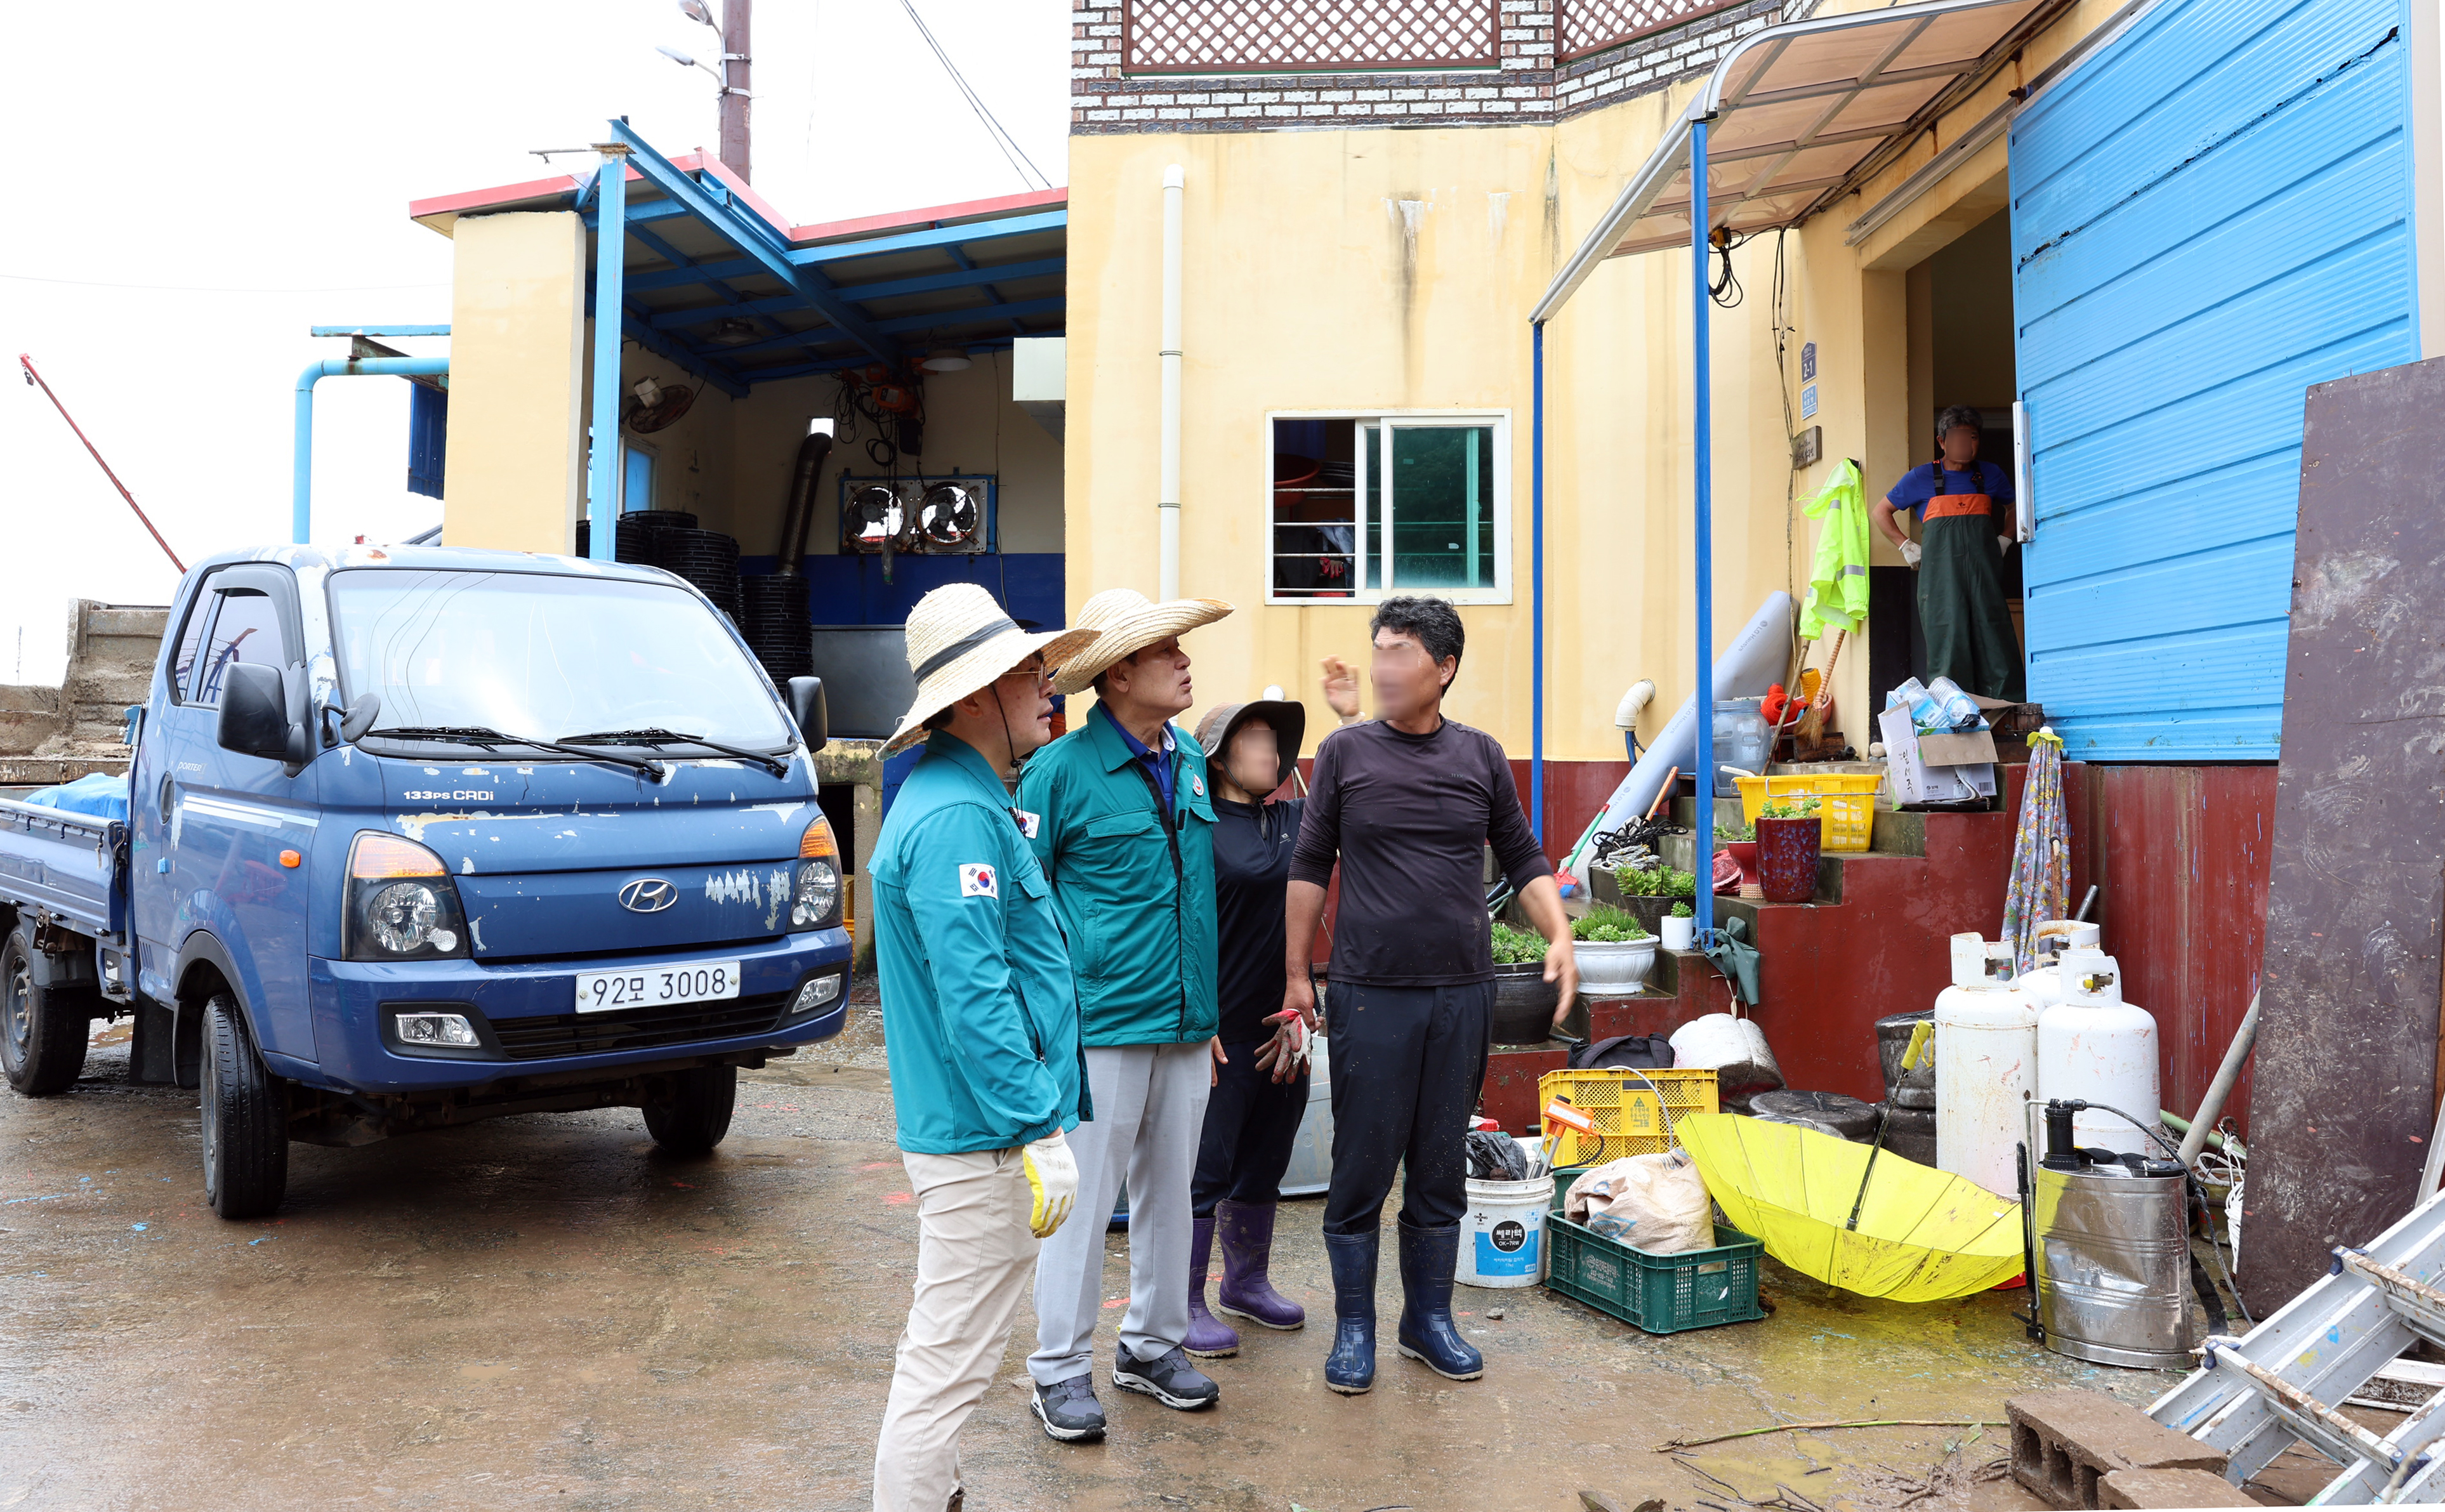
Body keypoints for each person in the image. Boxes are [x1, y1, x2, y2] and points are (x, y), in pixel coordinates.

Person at [1280, 595, 1578, 1396]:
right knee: (1362, 1162)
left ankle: (1427, 1320)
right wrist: (1297, 973)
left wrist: (1558, 933)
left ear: (1442, 669)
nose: (1381, 664)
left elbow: (1522, 856)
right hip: (1373, 991)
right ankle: (1354, 1328)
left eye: (1400, 650)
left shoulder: (1481, 755)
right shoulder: (1345, 753)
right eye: (1378, 648)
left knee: (1440, 1161)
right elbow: (1309, 866)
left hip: (1462, 994)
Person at [867, 583, 1099, 1512]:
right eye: (1026, 673)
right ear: (970, 698)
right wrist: (1036, 1124)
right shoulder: (956, 815)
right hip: (980, 1140)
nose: (1048, 687)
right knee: (946, 1366)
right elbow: (978, 997)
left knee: (949, 1351)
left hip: (978, 1132)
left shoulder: (968, 798)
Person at [1019, 587, 1235, 1442]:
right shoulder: (1058, 772)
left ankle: (1150, 1344)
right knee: (1084, 1199)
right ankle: (1059, 1368)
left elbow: (1192, 895)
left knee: (1171, 1194)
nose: (1185, 662)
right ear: (1115, 675)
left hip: (1185, 1022)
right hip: (1098, 1022)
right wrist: (1042, 1020)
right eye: (1166, 651)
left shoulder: (1182, 753)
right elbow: (1025, 906)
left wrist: (1207, 1009)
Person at [1182, 692, 1321, 1358]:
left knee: (1266, 1158)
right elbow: (1174, 926)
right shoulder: (1196, 828)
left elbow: (1362, 798)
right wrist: (1192, 1020)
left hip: (1284, 1027)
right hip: (1220, 1030)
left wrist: (1351, 719)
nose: (1271, 749)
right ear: (1218, 759)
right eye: (1256, 738)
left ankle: (1246, 1282)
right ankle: (1181, 1303)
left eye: (1275, 739)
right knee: (1204, 1169)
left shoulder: (1296, 819)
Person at [1869, 404, 2026, 701]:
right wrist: (1905, 545)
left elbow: (2014, 507)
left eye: (1973, 436)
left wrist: (2005, 539)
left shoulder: (1990, 475)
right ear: (1942, 442)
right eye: (1957, 437)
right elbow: (1881, 512)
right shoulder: (1920, 478)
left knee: (1995, 643)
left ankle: (2005, 714)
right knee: (1949, 646)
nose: (1966, 444)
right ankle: (1957, 715)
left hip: (1984, 580)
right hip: (1942, 585)